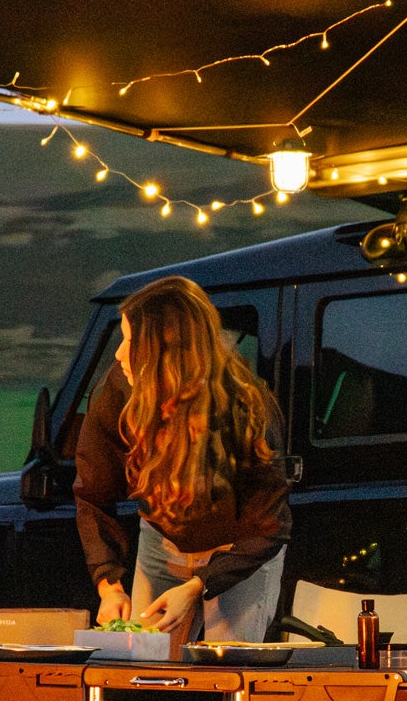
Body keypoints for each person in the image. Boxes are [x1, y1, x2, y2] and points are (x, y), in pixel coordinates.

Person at [74, 273, 291, 657]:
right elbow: (93, 492)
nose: (119, 354)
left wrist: (196, 586)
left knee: (226, 669)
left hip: (237, 547)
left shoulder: (247, 407)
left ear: (167, 347)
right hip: (163, 540)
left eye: (129, 341)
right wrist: (109, 586)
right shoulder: (119, 390)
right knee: (142, 666)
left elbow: (270, 527)